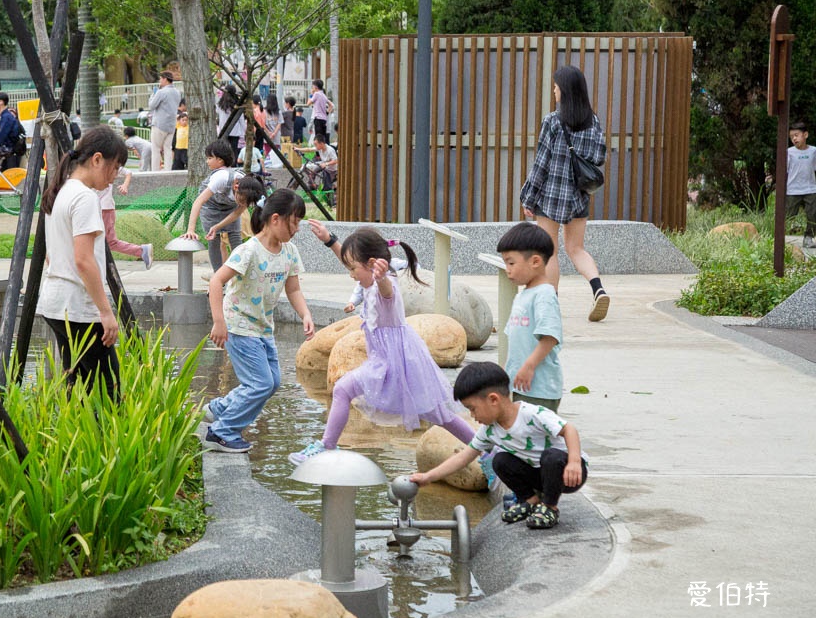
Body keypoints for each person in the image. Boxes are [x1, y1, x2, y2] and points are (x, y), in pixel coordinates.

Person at [290, 225, 475, 465]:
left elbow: (386, 291)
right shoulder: (368, 281)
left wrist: (383, 277)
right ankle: (327, 444)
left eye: (353, 269)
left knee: (438, 414)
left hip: (395, 363)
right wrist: (330, 241)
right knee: (345, 390)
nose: (350, 275)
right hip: (384, 361)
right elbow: (355, 263)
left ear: (372, 264)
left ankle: (485, 448)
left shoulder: (384, 286)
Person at [201, 188, 315, 452]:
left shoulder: (289, 251)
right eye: (294, 222)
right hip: (239, 325)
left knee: (272, 382)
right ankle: (221, 432)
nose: (297, 229)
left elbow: (293, 289)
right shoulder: (249, 250)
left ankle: (218, 409)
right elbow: (217, 281)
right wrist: (219, 322)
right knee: (260, 383)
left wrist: (305, 314)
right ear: (275, 219)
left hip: (263, 328)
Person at [410, 362, 587, 530]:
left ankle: (550, 508)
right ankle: (530, 502)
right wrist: (428, 477)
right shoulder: (489, 430)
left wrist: (573, 461)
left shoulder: (532, 414)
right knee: (500, 460)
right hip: (539, 475)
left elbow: (569, 429)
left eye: (473, 408)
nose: (472, 415)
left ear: (493, 399)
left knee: (551, 457)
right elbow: (463, 457)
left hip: (566, 473)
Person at [36, 126, 129, 403]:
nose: (113, 178)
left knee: (80, 388)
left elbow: (52, 254)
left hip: (55, 305)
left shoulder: (61, 190)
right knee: (110, 394)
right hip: (78, 308)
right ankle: (110, 445)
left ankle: (75, 442)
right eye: (115, 168)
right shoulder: (85, 197)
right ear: (97, 160)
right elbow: (83, 259)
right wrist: (105, 312)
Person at [520, 65, 609, 321]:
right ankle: (598, 289)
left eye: (556, 88)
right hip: (579, 195)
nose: (554, 92)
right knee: (577, 248)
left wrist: (529, 196)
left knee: (551, 251)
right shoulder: (593, 121)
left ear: (566, 91)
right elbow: (599, 157)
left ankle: (551, 305)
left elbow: (542, 163)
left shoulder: (552, 121)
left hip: (551, 196)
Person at [497, 221, 564, 412]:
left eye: (511, 263)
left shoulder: (544, 295)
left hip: (540, 387)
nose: (507, 268)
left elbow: (550, 337)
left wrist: (529, 366)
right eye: (505, 263)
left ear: (535, 261)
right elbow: (516, 342)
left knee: (539, 437)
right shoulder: (523, 295)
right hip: (521, 383)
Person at [182, 140, 265, 271]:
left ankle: (239, 271)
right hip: (210, 206)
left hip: (229, 208)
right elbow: (199, 201)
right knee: (213, 240)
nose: (242, 204)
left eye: (210, 158)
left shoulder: (247, 188)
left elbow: (237, 212)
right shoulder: (221, 178)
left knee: (235, 236)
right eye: (241, 201)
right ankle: (218, 276)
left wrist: (218, 226)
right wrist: (190, 229)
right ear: (236, 187)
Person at [98, 176, 153, 271]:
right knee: (105, 242)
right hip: (102, 208)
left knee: (107, 242)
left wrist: (125, 185)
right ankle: (141, 250)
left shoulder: (104, 164)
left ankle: (141, 250)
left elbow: (127, 172)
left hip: (104, 208)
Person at [786, 121, 816, 248]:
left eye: (796, 135)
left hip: (810, 188)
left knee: (813, 215)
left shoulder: (814, 151)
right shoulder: (789, 152)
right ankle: (783, 238)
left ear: (806, 135)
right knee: (789, 215)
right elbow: (785, 170)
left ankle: (808, 238)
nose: (794, 138)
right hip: (793, 189)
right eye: (791, 136)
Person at [148, 71, 181, 170]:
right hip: (171, 124)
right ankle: (168, 169)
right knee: (168, 148)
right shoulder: (177, 92)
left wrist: (152, 95)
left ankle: (155, 170)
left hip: (159, 124)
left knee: (156, 148)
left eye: (160, 79)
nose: (159, 81)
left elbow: (151, 106)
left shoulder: (161, 92)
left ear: (165, 79)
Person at [217, 83, 246, 156]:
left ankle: (226, 166)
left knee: (225, 151)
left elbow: (219, 117)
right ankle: (233, 165)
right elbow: (241, 119)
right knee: (234, 151)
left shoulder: (220, 104)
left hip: (223, 130)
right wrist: (244, 132)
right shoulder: (237, 104)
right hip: (235, 132)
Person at [312, 133, 337, 204]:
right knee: (313, 171)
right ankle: (312, 185)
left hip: (332, 170)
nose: (315, 146)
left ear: (322, 143)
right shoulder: (319, 149)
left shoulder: (330, 150)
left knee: (327, 184)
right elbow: (309, 149)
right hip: (325, 168)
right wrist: (298, 149)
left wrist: (326, 164)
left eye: (316, 144)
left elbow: (336, 160)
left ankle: (330, 201)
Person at [263, 94, 281, 158]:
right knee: (272, 152)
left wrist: (272, 133)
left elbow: (279, 123)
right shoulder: (264, 111)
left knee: (271, 153)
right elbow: (279, 123)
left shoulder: (278, 112)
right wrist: (272, 133)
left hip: (271, 135)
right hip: (272, 135)